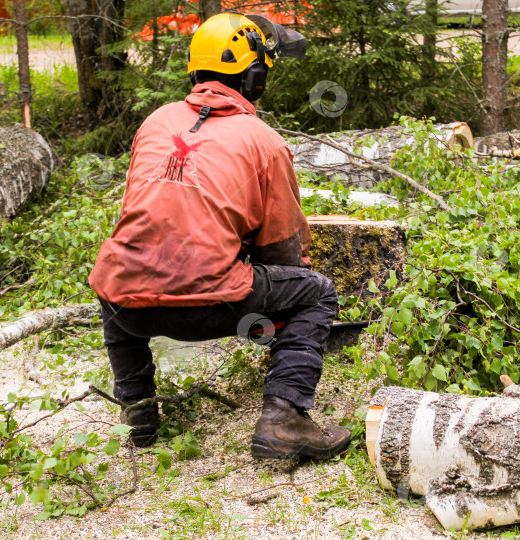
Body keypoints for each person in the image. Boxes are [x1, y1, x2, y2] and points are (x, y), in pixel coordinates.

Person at [88, 12, 351, 460]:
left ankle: (139, 412)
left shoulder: (154, 122)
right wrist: (280, 323)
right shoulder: (264, 141)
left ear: (196, 71)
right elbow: (282, 248)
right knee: (317, 293)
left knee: (120, 270)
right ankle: (283, 417)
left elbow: (143, 216)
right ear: (253, 77)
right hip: (208, 305)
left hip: (128, 310)